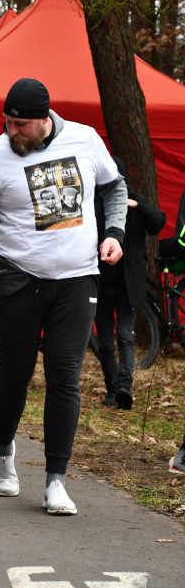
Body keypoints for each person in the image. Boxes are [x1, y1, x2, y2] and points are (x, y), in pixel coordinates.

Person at [0, 77, 127, 516]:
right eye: (6, 122)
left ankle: (56, 480)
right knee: (14, 377)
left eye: (19, 124)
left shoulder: (84, 139)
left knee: (64, 377)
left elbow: (114, 186)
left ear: (45, 119)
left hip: (77, 279)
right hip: (18, 279)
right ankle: (4, 448)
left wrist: (115, 232)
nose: (11, 131)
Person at [95, 157, 165, 410]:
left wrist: (135, 204)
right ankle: (111, 389)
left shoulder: (136, 201)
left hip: (127, 285)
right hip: (100, 283)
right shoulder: (95, 201)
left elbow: (158, 222)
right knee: (104, 341)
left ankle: (125, 386)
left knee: (124, 335)